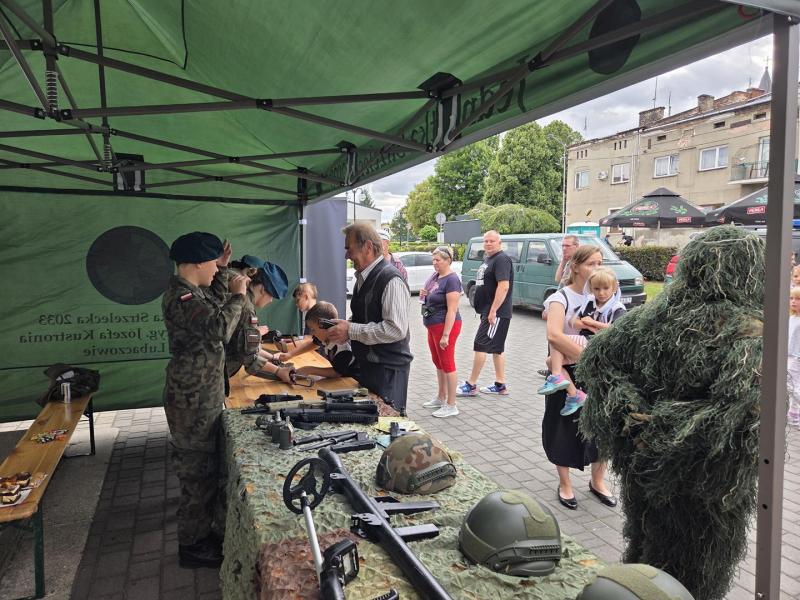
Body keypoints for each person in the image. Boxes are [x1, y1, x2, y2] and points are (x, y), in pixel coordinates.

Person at [162, 232, 247, 569]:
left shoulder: (194, 292)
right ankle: (192, 546)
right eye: (213, 263)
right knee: (196, 474)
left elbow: (213, 297)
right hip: (191, 401)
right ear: (197, 263)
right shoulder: (181, 297)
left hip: (201, 395)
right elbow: (218, 328)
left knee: (207, 469)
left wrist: (223, 269)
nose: (216, 270)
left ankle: (202, 533)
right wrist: (239, 296)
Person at [541, 244, 614, 511]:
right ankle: (565, 484)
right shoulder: (561, 298)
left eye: (600, 262)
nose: (597, 268)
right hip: (567, 372)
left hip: (599, 373)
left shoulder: (605, 294)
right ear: (575, 267)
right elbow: (554, 335)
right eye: (591, 263)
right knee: (563, 427)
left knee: (602, 426)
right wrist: (588, 357)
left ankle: (598, 481)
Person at [327, 224, 412, 414]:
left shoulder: (390, 279)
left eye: (349, 248)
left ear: (367, 247)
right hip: (371, 368)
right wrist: (345, 327)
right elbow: (365, 317)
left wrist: (350, 330)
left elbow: (396, 329)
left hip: (388, 371)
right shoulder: (363, 278)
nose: (346, 255)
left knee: (386, 424)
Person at [539, 268, 626, 416]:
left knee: (557, 340)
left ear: (614, 288)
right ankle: (575, 395)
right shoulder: (590, 302)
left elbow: (617, 330)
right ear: (591, 288)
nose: (601, 293)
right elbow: (574, 322)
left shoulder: (617, 308)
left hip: (599, 346)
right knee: (550, 362)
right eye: (597, 289)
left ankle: (557, 377)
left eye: (606, 288)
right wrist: (589, 326)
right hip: (586, 341)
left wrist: (593, 323)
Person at [210, 254, 293, 385]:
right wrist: (278, 371)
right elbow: (250, 357)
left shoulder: (233, 290)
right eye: (271, 296)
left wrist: (272, 358)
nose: (271, 301)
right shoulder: (247, 307)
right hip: (214, 377)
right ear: (262, 289)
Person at [457, 230, 513, 397]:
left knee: (480, 344)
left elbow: (504, 286)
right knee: (497, 349)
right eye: (486, 241)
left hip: (496, 313)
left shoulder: (502, 259)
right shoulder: (489, 258)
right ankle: (500, 385)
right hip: (489, 311)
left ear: (499, 243)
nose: (488, 243)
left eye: (492, 241)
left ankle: (471, 385)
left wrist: (493, 310)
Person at [419, 246, 463, 418]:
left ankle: (452, 405)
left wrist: (446, 335)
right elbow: (433, 296)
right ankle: (441, 396)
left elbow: (452, 309)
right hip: (433, 325)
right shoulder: (436, 276)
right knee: (438, 362)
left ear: (448, 260)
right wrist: (425, 294)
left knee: (448, 363)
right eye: (433, 260)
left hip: (445, 326)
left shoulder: (452, 279)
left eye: (438, 260)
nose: (434, 263)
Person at [294, 301, 360, 379]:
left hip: (351, 381)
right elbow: (313, 344)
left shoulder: (342, 348)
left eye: (313, 329)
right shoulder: (325, 336)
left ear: (326, 326)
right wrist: (289, 355)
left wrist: (309, 370)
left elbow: (336, 373)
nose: (311, 333)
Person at [276, 282, 319, 362]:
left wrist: (283, 346)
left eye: (298, 300)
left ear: (306, 297)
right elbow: (307, 338)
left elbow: (310, 341)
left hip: (319, 358)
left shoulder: (317, 314)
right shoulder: (310, 314)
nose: (296, 304)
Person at [788, 287, 800, 427]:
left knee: (791, 385)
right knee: (795, 385)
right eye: (791, 298)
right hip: (789, 354)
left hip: (796, 356)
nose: (793, 301)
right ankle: (794, 414)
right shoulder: (791, 317)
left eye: (798, 299)